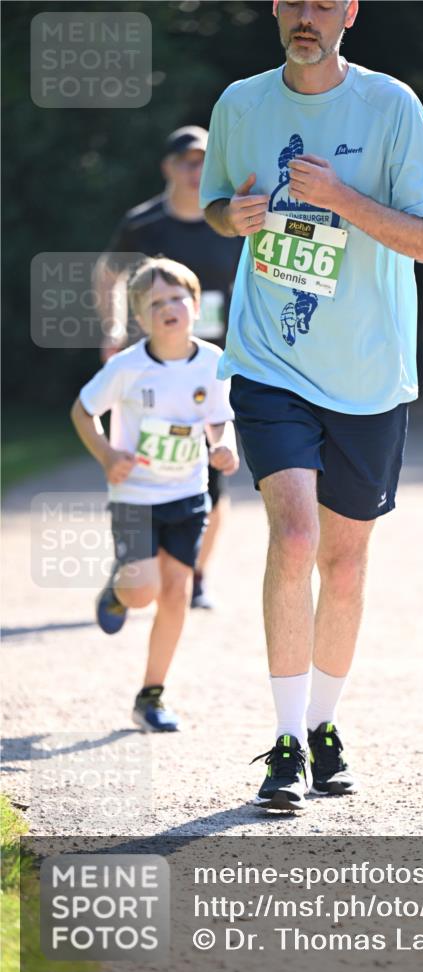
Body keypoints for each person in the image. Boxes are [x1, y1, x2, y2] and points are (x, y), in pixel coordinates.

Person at [200, 0, 423, 810]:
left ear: (349, 11)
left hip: (367, 372)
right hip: (270, 360)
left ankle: (322, 726)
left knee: (343, 567)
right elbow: (215, 204)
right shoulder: (240, 103)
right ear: (275, 8)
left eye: (323, 2)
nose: (305, 16)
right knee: (295, 535)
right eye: (293, 1)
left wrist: (342, 198)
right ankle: (283, 741)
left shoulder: (390, 106)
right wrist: (230, 216)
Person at [71, 258, 239, 732]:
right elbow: (83, 411)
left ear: (196, 304)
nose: (168, 308)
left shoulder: (212, 361)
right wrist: (107, 456)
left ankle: (151, 695)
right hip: (135, 497)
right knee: (141, 591)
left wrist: (223, 445)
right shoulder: (127, 367)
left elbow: (220, 419)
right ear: (141, 318)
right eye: (155, 302)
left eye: (177, 298)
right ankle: (118, 591)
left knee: (175, 593)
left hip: (188, 495)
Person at [95, 126, 243, 610]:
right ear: (168, 167)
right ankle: (135, 565)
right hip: (153, 366)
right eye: (187, 161)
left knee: (213, 476)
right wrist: (114, 330)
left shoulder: (230, 218)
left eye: (204, 161)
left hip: (212, 362)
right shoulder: (145, 223)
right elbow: (108, 274)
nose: (196, 170)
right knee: (144, 466)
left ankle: (194, 576)